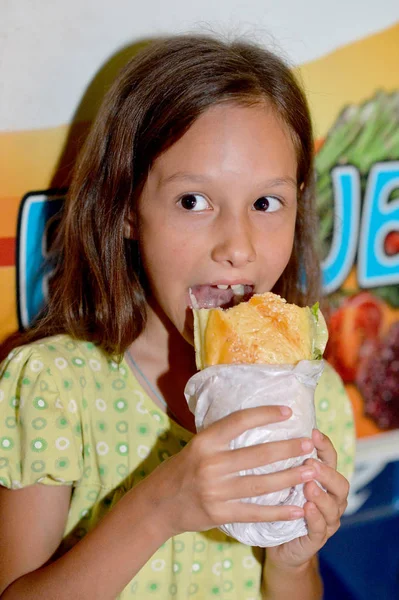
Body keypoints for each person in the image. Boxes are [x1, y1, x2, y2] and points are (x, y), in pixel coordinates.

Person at [0, 34, 355, 599]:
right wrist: (162, 506)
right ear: (125, 210)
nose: (237, 245)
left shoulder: (317, 398)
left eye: (266, 203)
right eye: (193, 201)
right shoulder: (54, 385)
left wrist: (290, 561)